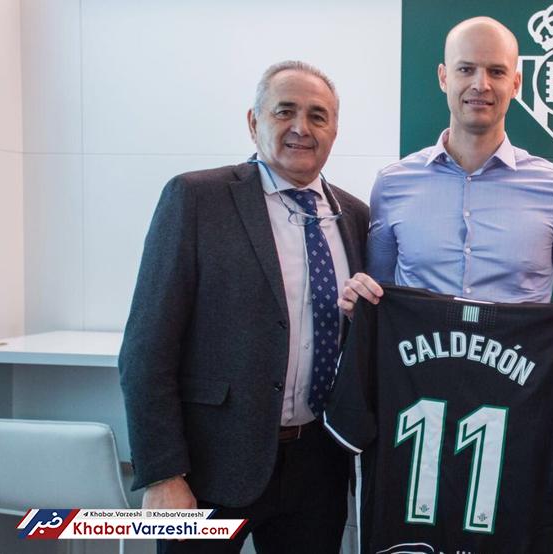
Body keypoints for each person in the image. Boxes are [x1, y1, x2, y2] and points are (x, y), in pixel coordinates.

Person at [119, 60, 368, 553]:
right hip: (208, 469)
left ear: (335, 131)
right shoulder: (197, 198)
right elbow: (146, 349)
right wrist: (163, 473)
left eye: (318, 116)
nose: (301, 127)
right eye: (285, 111)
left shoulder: (355, 216)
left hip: (318, 467)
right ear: (254, 122)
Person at [339, 16, 553, 336]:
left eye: (497, 71)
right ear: (443, 77)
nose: (481, 84)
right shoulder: (392, 184)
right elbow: (379, 296)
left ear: (516, 84)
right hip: (419, 366)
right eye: (466, 69)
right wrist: (359, 304)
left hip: (522, 367)